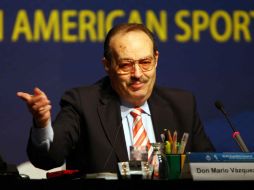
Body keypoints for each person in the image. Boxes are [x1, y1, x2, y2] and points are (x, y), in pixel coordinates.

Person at [17, 23, 215, 174]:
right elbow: (47, 159)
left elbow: (210, 168)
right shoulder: (83, 103)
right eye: (126, 65)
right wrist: (42, 124)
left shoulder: (182, 105)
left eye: (145, 62)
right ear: (107, 65)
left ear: (156, 59)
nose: (137, 73)